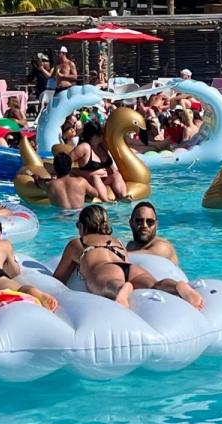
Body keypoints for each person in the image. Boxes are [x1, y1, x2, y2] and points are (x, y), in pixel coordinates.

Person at [52, 205, 203, 309]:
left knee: (108, 285)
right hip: (129, 268)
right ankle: (177, 286)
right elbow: (125, 261)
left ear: (82, 226)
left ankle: (120, 289)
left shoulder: (77, 243)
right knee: (155, 285)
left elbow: (58, 278)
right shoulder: (117, 241)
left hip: (105, 270)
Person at [70, 120, 128, 202]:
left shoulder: (102, 146)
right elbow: (66, 162)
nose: (103, 136)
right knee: (95, 177)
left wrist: (114, 171)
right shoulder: (84, 147)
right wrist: (94, 173)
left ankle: (123, 197)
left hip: (104, 179)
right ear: (94, 136)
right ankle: (106, 200)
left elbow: (113, 168)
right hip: (91, 181)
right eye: (100, 134)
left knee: (117, 175)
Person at [31, 152, 99, 210]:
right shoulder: (81, 182)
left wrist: (35, 175)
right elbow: (95, 193)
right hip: (78, 215)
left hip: (61, 216)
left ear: (55, 168)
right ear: (70, 166)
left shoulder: (50, 184)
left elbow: (38, 182)